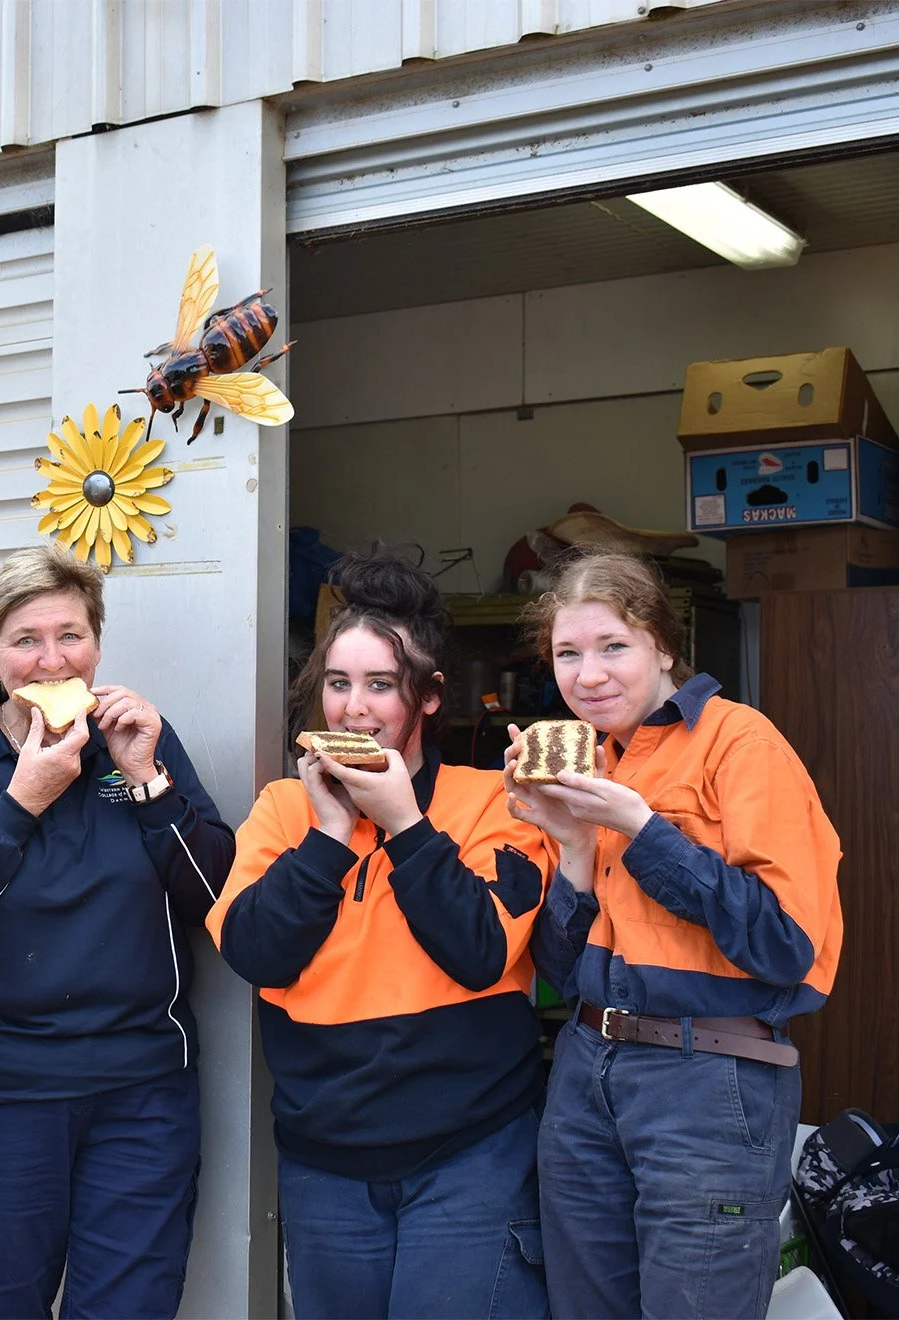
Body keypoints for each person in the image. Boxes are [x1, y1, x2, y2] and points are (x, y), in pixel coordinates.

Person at [0, 545, 235, 1319]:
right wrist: (20, 801)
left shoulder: (137, 740)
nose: (50, 660)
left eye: (70, 636)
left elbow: (216, 896)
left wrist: (147, 779)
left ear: (97, 644)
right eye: (25, 640)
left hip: (141, 1094)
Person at [207, 550, 550, 1319]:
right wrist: (327, 838)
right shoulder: (282, 811)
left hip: (473, 1155)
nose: (354, 709)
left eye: (380, 685)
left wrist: (403, 824)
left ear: (428, 697)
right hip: (325, 1164)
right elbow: (255, 952)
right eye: (338, 683)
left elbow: (480, 951)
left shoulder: (495, 803)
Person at [508, 550, 843, 1319]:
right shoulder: (588, 764)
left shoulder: (741, 742)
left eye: (612, 647)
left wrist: (639, 825)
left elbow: (786, 942)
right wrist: (577, 847)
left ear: (663, 645)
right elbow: (562, 970)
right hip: (587, 1069)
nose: (587, 674)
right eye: (567, 653)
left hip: (710, 1078)